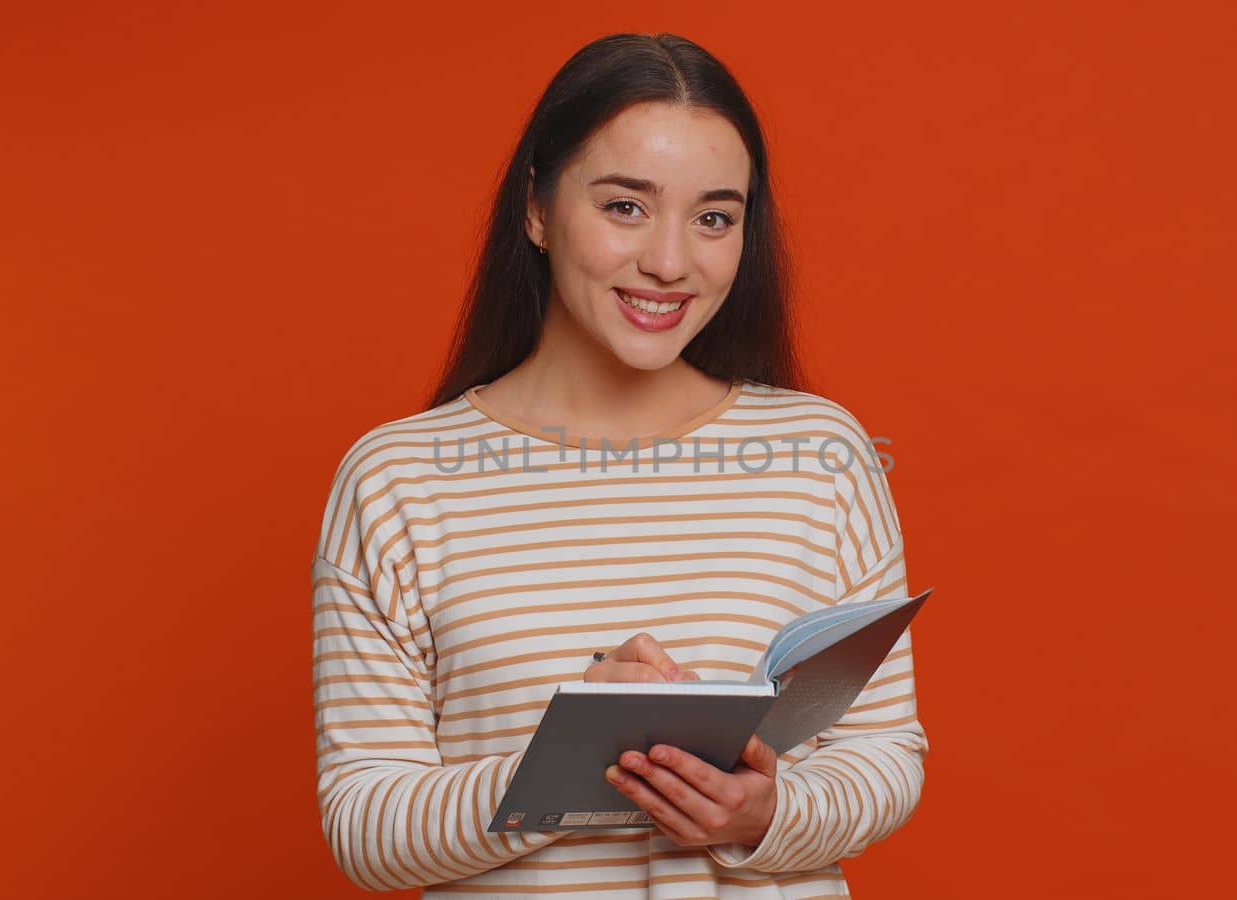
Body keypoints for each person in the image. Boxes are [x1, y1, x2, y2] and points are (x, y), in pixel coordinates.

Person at [312, 32, 925, 897]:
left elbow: (886, 757)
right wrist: (568, 761)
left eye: (714, 217)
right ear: (536, 208)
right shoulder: (397, 480)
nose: (670, 262)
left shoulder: (821, 456)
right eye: (625, 206)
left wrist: (768, 814)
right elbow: (364, 826)